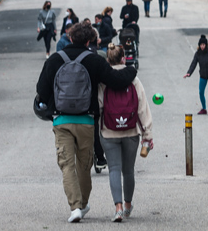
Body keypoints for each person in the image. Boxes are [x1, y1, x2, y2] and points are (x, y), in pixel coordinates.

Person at [36, 24, 138, 223]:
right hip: (86, 121)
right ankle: (82, 203)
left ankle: (75, 207)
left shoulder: (55, 60)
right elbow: (116, 80)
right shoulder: (94, 61)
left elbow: (42, 90)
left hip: (61, 120)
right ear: (89, 41)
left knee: (67, 165)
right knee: (84, 165)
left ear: (70, 38)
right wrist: (131, 70)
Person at [98, 44, 153, 222]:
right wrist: (147, 135)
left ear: (108, 60)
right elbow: (142, 108)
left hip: (108, 131)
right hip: (131, 132)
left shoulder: (103, 80)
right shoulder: (134, 80)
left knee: (114, 169)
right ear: (124, 59)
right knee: (128, 170)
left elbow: (99, 106)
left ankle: (118, 208)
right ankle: (128, 205)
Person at [183, 35, 208, 114]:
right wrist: (189, 73)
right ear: (199, 45)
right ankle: (204, 108)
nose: (202, 46)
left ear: (206, 45)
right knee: (201, 92)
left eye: (203, 45)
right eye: (201, 45)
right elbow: (193, 64)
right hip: (203, 75)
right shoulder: (198, 54)